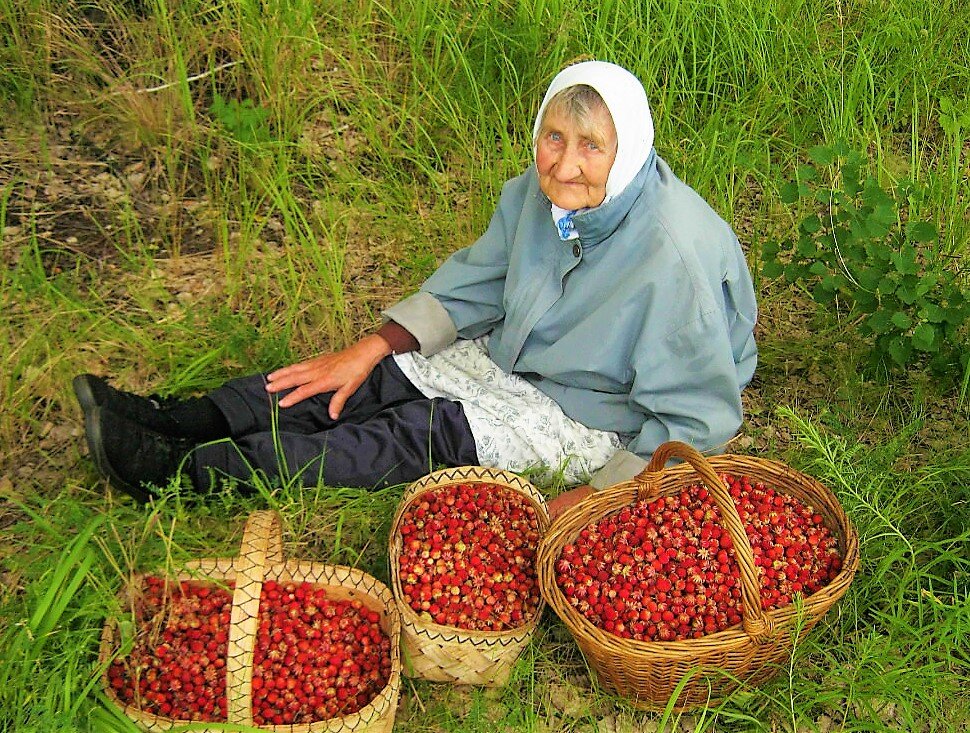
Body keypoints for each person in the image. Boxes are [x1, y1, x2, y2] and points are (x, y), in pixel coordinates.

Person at [74, 60, 758, 518]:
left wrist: (596, 496)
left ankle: (188, 474)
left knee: (410, 435)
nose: (564, 164)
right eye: (554, 136)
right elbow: (480, 278)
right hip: (511, 355)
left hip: (595, 412)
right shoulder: (540, 192)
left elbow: (698, 416)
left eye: (591, 146)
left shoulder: (673, 258)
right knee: (359, 382)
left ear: (627, 151)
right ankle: (181, 421)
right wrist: (374, 347)